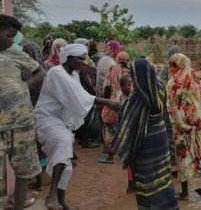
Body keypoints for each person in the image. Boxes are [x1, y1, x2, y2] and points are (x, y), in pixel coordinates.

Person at [33, 44, 120, 210]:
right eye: (80, 59)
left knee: (65, 159)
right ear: (70, 58)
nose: (83, 62)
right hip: (46, 118)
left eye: (85, 58)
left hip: (60, 120)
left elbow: (80, 95)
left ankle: (60, 200)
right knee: (64, 142)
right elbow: (79, 96)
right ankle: (52, 196)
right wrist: (107, 102)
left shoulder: (73, 74)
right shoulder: (56, 73)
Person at [113, 59, 179, 210]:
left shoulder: (135, 98)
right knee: (163, 180)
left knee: (147, 183)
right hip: (160, 138)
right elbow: (164, 113)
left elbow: (127, 125)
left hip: (145, 143)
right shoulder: (161, 87)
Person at [0, 15, 46, 210]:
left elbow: (41, 71)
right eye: (9, 35)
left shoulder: (14, 53)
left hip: (21, 122)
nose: (12, 40)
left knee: (24, 170)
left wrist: (24, 86)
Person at [167, 53, 201, 199]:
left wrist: (199, 119)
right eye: (171, 64)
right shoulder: (194, 77)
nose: (171, 68)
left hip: (185, 127)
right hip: (193, 125)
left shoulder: (175, 82)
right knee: (196, 155)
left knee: (186, 156)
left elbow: (173, 107)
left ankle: (188, 192)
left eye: (173, 65)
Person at [21, 42, 50, 191]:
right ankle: (48, 173)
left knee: (33, 147)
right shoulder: (47, 68)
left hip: (30, 111)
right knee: (43, 144)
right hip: (46, 112)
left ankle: (38, 181)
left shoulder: (24, 71)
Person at [98, 51, 130, 164]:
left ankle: (110, 157)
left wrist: (105, 101)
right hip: (126, 103)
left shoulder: (112, 69)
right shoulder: (129, 72)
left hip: (113, 102)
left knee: (109, 128)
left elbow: (106, 87)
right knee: (122, 128)